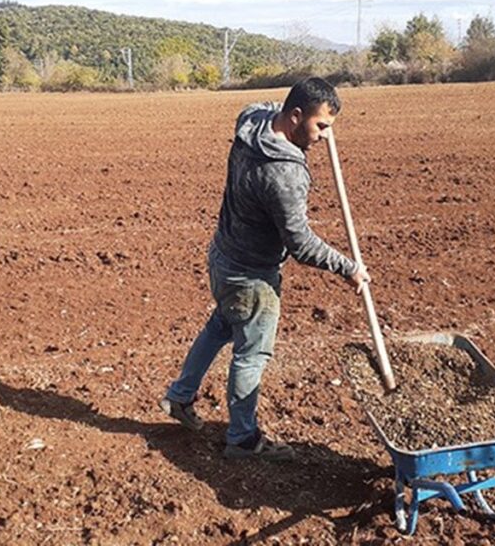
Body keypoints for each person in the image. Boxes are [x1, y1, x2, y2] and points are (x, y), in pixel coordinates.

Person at [159, 77, 371, 461]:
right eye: (321, 126)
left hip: (222, 255)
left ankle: (179, 396)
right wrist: (348, 267)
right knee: (252, 354)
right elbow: (301, 243)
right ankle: (242, 438)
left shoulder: (250, 121)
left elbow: (268, 103)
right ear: (294, 117)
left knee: (220, 325)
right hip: (252, 277)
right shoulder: (284, 175)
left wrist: (313, 109)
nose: (325, 137)